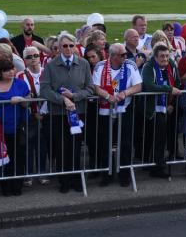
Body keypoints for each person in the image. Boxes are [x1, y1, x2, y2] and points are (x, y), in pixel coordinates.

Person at [38, 32, 95, 194]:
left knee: (76, 147)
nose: (68, 48)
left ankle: (76, 179)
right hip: (58, 113)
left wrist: (75, 97)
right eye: (65, 46)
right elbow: (44, 90)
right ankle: (64, 180)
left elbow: (90, 88)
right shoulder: (51, 65)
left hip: (78, 113)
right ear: (60, 48)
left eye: (71, 45)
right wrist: (63, 99)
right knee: (62, 147)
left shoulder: (83, 64)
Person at [94, 42, 142, 187]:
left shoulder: (130, 65)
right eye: (122, 55)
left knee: (125, 143)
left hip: (124, 109)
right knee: (105, 143)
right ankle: (106, 174)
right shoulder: (100, 66)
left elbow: (138, 86)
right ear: (113, 56)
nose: (125, 57)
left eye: (125, 54)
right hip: (105, 110)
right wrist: (108, 96)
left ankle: (124, 174)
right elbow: (95, 86)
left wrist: (125, 93)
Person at [0, 58, 31, 196]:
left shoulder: (21, 84)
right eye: (6, 70)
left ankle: (17, 186)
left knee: (18, 157)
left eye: (12, 69)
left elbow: (29, 102)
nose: (11, 72)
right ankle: (6, 187)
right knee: (3, 159)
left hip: (17, 127)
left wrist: (22, 100)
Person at [140, 44, 180, 179]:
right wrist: (168, 89)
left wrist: (171, 103)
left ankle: (157, 165)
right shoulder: (148, 67)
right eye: (162, 56)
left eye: (167, 56)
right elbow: (150, 85)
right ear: (155, 57)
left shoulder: (171, 66)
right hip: (151, 109)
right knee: (152, 138)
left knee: (161, 138)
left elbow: (177, 83)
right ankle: (153, 166)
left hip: (165, 108)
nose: (165, 58)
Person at [17, 46, 50, 185]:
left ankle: (43, 173)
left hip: (45, 114)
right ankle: (28, 174)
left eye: (35, 55)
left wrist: (42, 112)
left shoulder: (47, 72)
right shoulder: (20, 75)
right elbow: (19, 96)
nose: (33, 59)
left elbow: (51, 93)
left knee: (43, 146)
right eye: (29, 57)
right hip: (28, 117)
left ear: (40, 56)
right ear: (24, 60)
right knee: (28, 146)